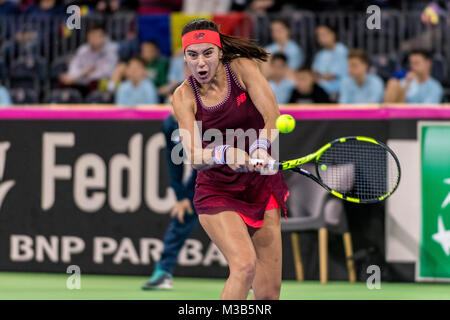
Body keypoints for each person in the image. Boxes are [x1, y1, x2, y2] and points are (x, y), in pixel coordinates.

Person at [172, 19, 289, 300]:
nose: (200, 62)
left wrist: (260, 147)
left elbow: (272, 115)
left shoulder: (243, 69)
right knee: (244, 265)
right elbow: (195, 156)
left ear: (220, 52)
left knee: (268, 295)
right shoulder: (182, 96)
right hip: (217, 190)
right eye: (192, 55)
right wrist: (225, 152)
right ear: (185, 57)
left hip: (261, 186)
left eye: (207, 53)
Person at [142, 87, 199, 290]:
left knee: (237, 225)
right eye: (172, 101)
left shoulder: (203, 118)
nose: (175, 106)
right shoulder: (169, 125)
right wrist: (181, 197)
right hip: (201, 173)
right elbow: (173, 161)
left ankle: (254, 278)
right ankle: (164, 272)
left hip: (227, 171)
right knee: (182, 216)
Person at [59, 22, 119, 97]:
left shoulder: (110, 51)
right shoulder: (82, 50)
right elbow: (73, 68)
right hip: (79, 82)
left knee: (95, 83)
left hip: (99, 86)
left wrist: (81, 76)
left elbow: (106, 73)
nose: (93, 39)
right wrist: (81, 74)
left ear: (104, 37)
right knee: (64, 83)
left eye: (96, 36)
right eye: (91, 36)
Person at [312, 24, 348, 99]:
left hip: (337, 91)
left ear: (333, 34)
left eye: (323, 34)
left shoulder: (342, 50)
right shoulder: (320, 54)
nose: (320, 38)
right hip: (320, 90)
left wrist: (319, 77)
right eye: (318, 35)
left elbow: (333, 76)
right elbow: (314, 74)